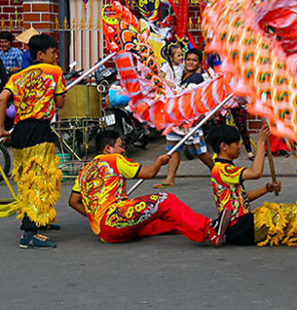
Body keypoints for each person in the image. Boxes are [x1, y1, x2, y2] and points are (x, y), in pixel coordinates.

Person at [68, 129, 229, 245]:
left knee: (163, 221)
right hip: (114, 217)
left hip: (105, 231)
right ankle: (210, 230)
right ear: (108, 149)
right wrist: (159, 162)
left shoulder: (84, 171)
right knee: (164, 200)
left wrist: (94, 216)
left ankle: (217, 229)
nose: (123, 150)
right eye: (120, 146)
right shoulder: (113, 159)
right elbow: (149, 173)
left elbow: (73, 201)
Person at [0, 34, 66, 249]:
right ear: (41, 54)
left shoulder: (18, 76)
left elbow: (2, 97)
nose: (55, 56)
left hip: (20, 131)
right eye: (52, 52)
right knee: (39, 179)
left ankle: (40, 220)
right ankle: (29, 233)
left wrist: (1, 128)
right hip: (39, 129)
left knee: (27, 180)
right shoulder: (54, 72)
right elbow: (60, 103)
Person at [156, 48, 214, 188]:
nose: (190, 63)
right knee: (173, 149)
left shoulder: (197, 78)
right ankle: (170, 179)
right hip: (176, 119)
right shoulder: (180, 74)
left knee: (199, 151)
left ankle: (218, 172)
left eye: (194, 60)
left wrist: (170, 86)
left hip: (190, 121)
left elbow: (184, 94)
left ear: (199, 63)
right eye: (188, 59)